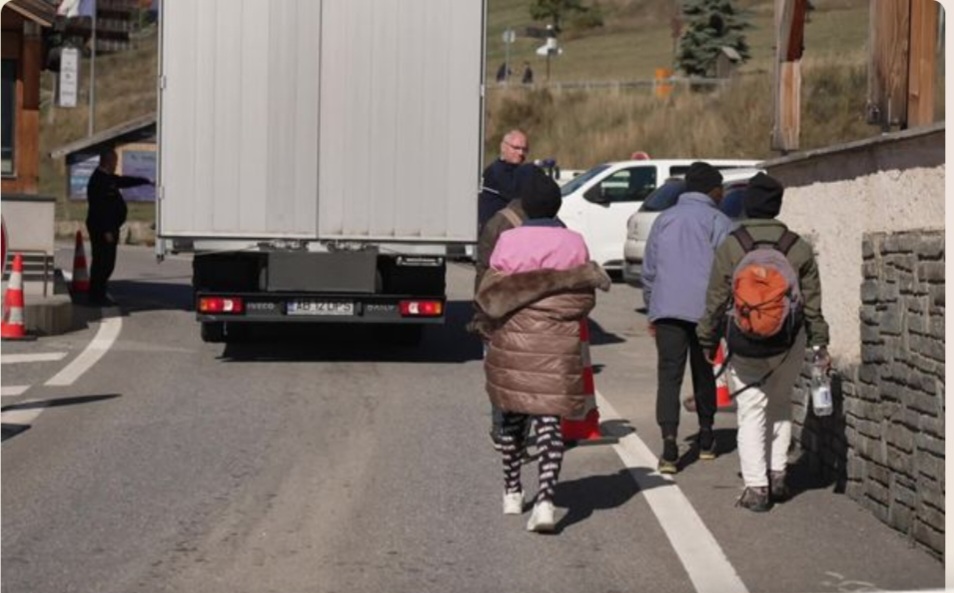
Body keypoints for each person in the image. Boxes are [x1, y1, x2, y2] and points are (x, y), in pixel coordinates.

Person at [474, 167, 610, 532]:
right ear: (557, 206)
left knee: (514, 420)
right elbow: (583, 301)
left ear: (527, 207)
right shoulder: (575, 242)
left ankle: (512, 492)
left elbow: (494, 293)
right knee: (550, 422)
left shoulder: (510, 241)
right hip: (557, 343)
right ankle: (547, 502)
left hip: (515, 343)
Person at [697, 172, 830, 512]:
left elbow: (715, 300)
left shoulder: (732, 245)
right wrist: (819, 344)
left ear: (749, 204)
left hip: (744, 341)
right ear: (777, 206)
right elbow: (813, 304)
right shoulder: (797, 247)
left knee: (752, 409)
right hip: (789, 342)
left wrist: (706, 340)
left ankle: (757, 488)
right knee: (781, 403)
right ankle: (778, 474)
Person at [641, 161, 732, 474]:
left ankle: (669, 447)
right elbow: (728, 269)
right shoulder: (719, 221)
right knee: (703, 372)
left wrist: (652, 307)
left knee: (669, 375)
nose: (723, 193)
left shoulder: (664, 219)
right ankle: (706, 439)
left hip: (667, 309)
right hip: (705, 311)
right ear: (712, 190)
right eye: (720, 188)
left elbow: (649, 269)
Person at [472, 163, 535, 449]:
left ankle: (501, 429)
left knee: (499, 371)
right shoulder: (545, 221)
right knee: (528, 375)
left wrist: (481, 312)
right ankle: (522, 432)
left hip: (499, 309)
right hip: (533, 312)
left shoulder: (497, 222)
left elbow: (483, 270)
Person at [85, 147, 152, 305]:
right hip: (103, 229)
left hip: (109, 227)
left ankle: (99, 293)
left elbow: (123, 181)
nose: (116, 164)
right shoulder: (98, 180)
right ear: (107, 162)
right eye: (114, 161)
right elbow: (99, 208)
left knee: (106, 262)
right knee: (103, 262)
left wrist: (144, 181)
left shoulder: (107, 178)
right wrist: (107, 229)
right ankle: (96, 296)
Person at [478, 129, 529, 235]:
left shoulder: (516, 171)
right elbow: (517, 195)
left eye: (524, 149)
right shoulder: (497, 171)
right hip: (494, 234)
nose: (521, 153)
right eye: (516, 148)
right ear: (503, 147)